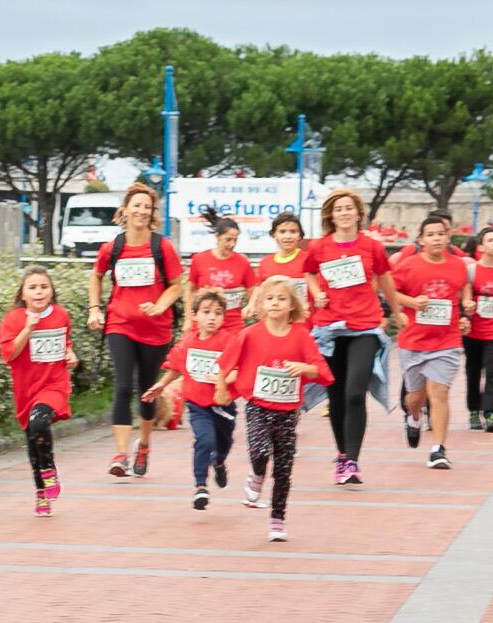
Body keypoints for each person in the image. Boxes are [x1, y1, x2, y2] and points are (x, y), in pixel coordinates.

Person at [218, 276, 332, 542]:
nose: (275, 303)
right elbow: (225, 363)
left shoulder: (301, 336)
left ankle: (278, 519)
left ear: (292, 305)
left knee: (284, 467)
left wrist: (304, 368)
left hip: (287, 412)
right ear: (261, 304)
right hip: (258, 405)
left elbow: (322, 371)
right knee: (259, 453)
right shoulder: (250, 334)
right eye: (270, 298)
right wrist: (221, 388)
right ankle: (257, 474)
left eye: (281, 298)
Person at [89, 182, 185, 478]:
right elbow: (96, 276)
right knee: (122, 387)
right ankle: (120, 454)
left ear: (152, 213)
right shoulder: (113, 247)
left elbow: (176, 287)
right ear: (126, 209)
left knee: (146, 391)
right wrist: (94, 309)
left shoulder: (161, 246)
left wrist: (159, 305)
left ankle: (143, 443)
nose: (142, 211)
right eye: (137, 205)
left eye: (147, 207)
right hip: (120, 324)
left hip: (156, 330)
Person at [305, 188, 397, 486]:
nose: (344, 213)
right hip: (330, 328)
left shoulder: (372, 247)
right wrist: (318, 292)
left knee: (355, 393)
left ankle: (353, 460)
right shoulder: (319, 247)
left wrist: (397, 312)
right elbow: (308, 273)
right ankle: (343, 455)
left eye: (349, 208)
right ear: (331, 216)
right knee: (337, 395)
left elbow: (385, 280)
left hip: (364, 327)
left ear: (359, 214)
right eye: (338, 209)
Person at [142, 289, 240, 510]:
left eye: (217, 313)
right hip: (198, 405)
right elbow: (176, 367)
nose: (212, 317)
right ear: (195, 316)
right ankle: (200, 486)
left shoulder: (229, 342)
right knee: (205, 440)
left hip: (223, 405)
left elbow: (237, 370)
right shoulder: (188, 342)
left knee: (223, 444)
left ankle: (220, 462)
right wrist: (161, 384)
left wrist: (222, 379)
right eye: (206, 312)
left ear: (224, 317)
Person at [388, 212, 467, 470]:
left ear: (448, 236)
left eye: (440, 234)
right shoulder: (408, 265)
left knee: (439, 392)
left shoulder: (457, 264)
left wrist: (467, 307)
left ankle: (438, 449)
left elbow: (463, 287)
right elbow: (389, 290)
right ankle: (413, 418)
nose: (436, 239)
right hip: (414, 341)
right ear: (421, 240)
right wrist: (411, 303)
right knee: (415, 398)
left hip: (447, 341)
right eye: (430, 235)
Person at [0, 264, 78, 517]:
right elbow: (9, 353)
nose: (39, 292)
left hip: (54, 384)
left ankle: (49, 469)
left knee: (39, 424)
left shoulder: (61, 316)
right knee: (32, 439)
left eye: (44, 287)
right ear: (22, 294)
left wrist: (70, 354)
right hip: (26, 389)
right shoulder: (13, 319)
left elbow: (65, 343)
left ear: (51, 291)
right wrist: (27, 329)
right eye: (32, 287)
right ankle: (41, 492)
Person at [463, 230, 493, 432]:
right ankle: (474, 411)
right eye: (490, 240)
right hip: (474, 331)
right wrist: (467, 307)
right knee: (473, 372)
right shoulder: (471, 271)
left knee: (492, 372)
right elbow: (464, 297)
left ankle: (491, 414)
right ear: (481, 247)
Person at [185, 207, 259, 331]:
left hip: (232, 326)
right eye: (228, 239)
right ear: (217, 237)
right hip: (203, 324)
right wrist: (188, 319)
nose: (232, 244)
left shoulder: (242, 262)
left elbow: (254, 289)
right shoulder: (199, 259)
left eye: (235, 240)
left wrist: (251, 305)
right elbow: (190, 291)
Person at [259, 211, 313, 303]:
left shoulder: (309, 260)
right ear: (274, 235)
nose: (288, 236)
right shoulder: (265, 262)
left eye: (293, 231)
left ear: (300, 235)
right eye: (282, 232)